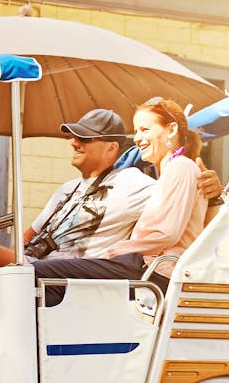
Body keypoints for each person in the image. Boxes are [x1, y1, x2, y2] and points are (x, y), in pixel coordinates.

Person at [0, 107, 219, 271]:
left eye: (84, 138)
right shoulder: (66, 189)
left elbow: (180, 206)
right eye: (74, 136)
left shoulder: (132, 183)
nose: (74, 142)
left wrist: (212, 190)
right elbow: (28, 238)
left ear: (111, 148)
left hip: (74, 276)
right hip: (34, 265)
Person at [33, 97, 206, 296]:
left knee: (39, 274)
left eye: (145, 129)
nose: (137, 138)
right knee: (47, 277)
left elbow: (168, 234)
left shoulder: (180, 167)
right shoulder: (171, 171)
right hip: (145, 266)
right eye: (136, 131)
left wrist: (117, 250)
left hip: (156, 272)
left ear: (172, 130)